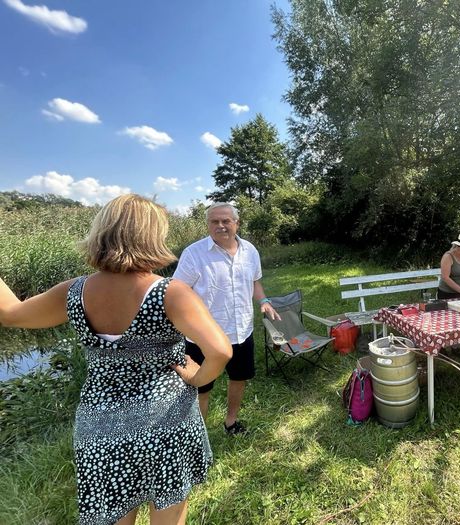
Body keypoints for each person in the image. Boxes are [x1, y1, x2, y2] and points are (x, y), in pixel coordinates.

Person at [0, 194, 232, 525]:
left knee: (112, 515)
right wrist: (196, 377)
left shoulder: (74, 292)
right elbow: (220, 351)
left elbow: (11, 313)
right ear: (151, 236)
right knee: (169, 514)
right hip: (165, 420)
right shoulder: (170, 292)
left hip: (100, 425)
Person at [173, 202, 280, 436]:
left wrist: (263, 301)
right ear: (208, 224)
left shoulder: (250, 250)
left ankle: (231, 423)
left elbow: (255, 281)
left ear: (236, 223)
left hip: (241, 331)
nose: (220, 225)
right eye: (215, 221)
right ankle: (200, 435)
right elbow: (178, 292)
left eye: (226, 221)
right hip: (203, 337)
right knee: (201, 387)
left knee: (239, 378)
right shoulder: (193, 253)